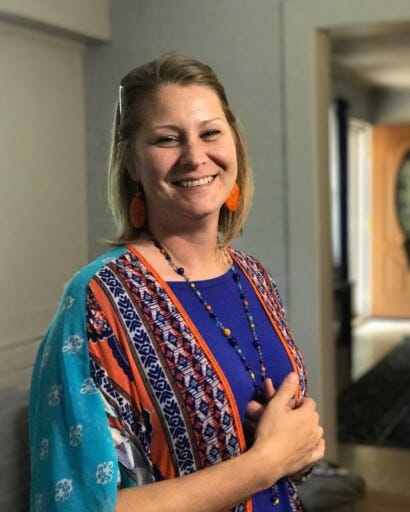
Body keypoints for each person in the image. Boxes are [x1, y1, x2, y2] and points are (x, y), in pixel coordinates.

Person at [29, 53, 325, 512]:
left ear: (234, 142)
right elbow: (84, 505)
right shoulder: (97, 302)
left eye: (210, 133)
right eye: (167, 139)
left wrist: (298, 452)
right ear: (131, 161)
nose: (194, 156)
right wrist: (266, 462)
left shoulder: (254, 276)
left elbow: (282, 447)